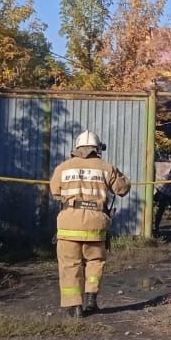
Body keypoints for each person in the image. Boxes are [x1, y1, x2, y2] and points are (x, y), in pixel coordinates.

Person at [49, 130, 131, 318]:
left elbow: (55, 190)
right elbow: (123, 189)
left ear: (76, 148)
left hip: (68, 223)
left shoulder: (63, 167)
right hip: (95, 223)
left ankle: (74, 306)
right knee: (95, 261)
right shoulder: (106, 167)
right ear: (97, 148)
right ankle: (91, 297)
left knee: (70, 264)